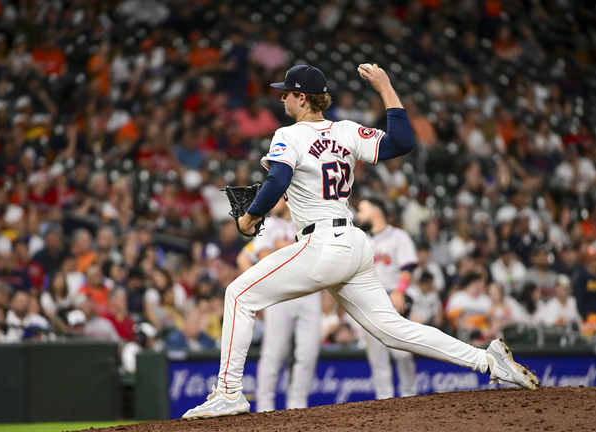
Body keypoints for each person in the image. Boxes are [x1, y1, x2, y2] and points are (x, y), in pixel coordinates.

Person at [182, 64, 538, 420]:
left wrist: (250, 218)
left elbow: (276, 181)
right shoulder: (347, 131)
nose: (282, 97)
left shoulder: (288, 135)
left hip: (321, 243)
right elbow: (402, 142)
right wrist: (385, 86)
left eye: (287, 92)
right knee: (393, 331)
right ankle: (488, 361)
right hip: (353, 242)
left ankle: (228, 393)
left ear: (302, 97)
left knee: (239, 295)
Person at [237, 197, 321, 412]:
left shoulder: (308, 217)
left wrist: (282, 246)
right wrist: (298, 246)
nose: (271, 201)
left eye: (276, 197)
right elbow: (265, 257)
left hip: (309, 293)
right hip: (280, 294)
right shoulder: (268, 224)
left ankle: (298, 404)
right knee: (274, 352)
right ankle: (265, 406)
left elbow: (317, 252)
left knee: (308, 353)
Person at [355, 197, 419, 400]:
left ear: (376, 212)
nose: (358, 215)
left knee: (403, 354)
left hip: (393, 298)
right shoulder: (359, 239)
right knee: (378, 358)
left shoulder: (398, 236)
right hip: (369, 301)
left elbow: (408, 267)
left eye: (362, 210)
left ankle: (410, 396)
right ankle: (385, 402)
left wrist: (399, 291)